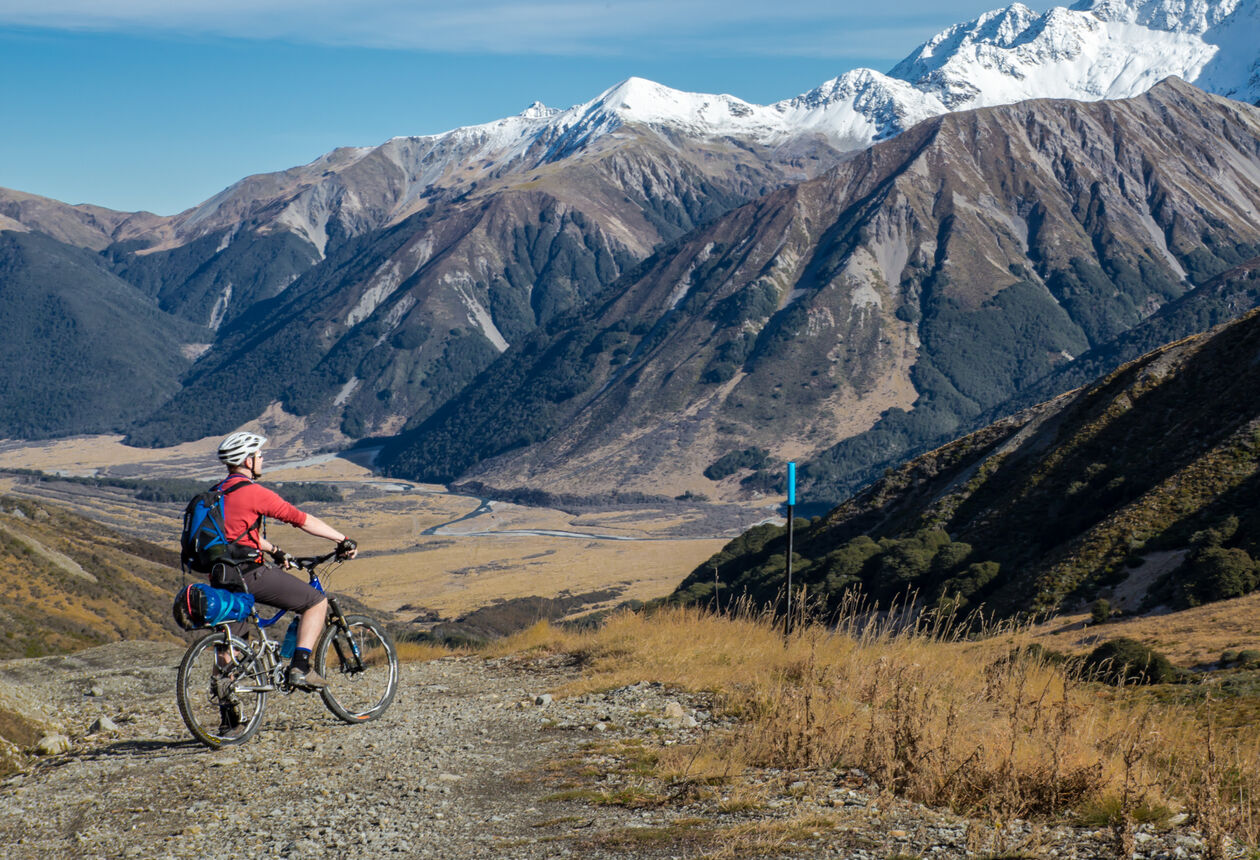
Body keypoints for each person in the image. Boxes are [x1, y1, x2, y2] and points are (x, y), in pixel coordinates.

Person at [212, 431, 357, 693]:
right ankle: (301, 667)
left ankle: (229, 723)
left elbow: (239, 534)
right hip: (249, 574)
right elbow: (301, 519)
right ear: (247, 461)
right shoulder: (252, 492)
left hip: (219, 576)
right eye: (258, 455)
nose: (262, 458)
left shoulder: (216, 493)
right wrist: (342, 539)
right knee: (316, 601)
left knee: (230, 647)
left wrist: (274, 550)